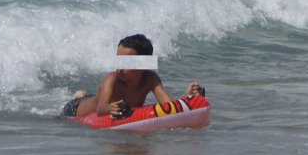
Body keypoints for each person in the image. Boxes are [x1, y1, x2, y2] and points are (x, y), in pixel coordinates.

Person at [61, 33, 203, 119]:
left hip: (100, 100)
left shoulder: (150, 79)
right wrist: (110, 108)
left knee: (91, 95)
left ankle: (83, 94)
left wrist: (186, 98)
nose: (121, 67)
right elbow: (100, 109)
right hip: (74, 110)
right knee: (86, 98)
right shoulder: (112, 78)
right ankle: (79, 97)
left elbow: (167, 105)